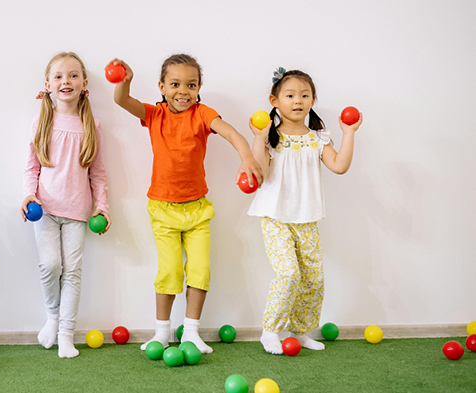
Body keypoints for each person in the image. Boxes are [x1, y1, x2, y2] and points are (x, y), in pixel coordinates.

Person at [110, 54, 263, 354]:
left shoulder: (203, 114)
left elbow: (231, 132)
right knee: (169, 272)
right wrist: (124, 82)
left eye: (191, 85)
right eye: (176, 84)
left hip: (197, 210)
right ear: (162, 87)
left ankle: (191, 331)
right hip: (163, 209)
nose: (183, 91)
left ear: (199, 88)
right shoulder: (154, 114)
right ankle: (162, 332)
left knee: (200, 270)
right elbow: (122, 101)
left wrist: (247, 157)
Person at [247, 68, 360, 354]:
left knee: (313, 278)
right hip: (275, 217)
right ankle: (270, 330)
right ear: (274, 100)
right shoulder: (272, 137)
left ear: (312, 100)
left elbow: (339, 166)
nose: (298, 100)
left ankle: (299, 330)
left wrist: (348, 133)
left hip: (306, 218)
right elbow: (259, 171)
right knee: (288, 274)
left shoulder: (318, 138)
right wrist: (259, 138)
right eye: (290, 95)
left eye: (304, 95)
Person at [22, 52, 110, 359]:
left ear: (84, 84)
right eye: (58, 76)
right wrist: (28, 195)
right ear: (47, 85)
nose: (65, 81)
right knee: (50, 265)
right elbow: (31, 168)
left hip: (77, 212)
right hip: (44, 209)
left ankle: (66, 334)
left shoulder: (92, 125)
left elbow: (97, 173)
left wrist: (102, 207)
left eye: (73, 75)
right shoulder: (41, 121)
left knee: (72, 271)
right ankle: (53, 317)